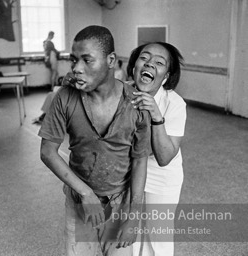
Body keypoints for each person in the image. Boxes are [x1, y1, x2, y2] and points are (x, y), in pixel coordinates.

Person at [39, 25, 151, 256]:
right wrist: (85, 193)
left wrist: (133, 217)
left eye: (87, 60)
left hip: (120, 203)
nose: (77, 68)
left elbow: (140, 161)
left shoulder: (136, 104)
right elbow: (48, 152)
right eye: (73, 60)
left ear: (110, 60)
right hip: (79, 201)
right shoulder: (65, 97)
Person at [127, 42, 186, 256]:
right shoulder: (119, 93)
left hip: (162, 177)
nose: (150, 64)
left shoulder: (174, 103)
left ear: (166, 76)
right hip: (127, 173)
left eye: (159, 62)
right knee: (128, 235)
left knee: (158, 239)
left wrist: (156, 115)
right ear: (134, 65)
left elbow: (164, 157)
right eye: (144, 58)